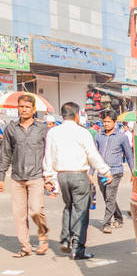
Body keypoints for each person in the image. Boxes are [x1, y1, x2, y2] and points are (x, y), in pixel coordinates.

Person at [43, 102, 112, 260]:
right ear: (76, 115)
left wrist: (49, 176)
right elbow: (92, 154)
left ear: (62, 115)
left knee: (69, 207)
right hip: (79, 175)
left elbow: (48, 155)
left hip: (62, 176)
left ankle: (65, 239)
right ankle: (77, 249)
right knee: (81, 212)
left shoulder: (53, 132)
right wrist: (105, 171)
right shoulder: (82, 132)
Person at [0, 94, 51, 256]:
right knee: (19, 215)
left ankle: (42, 238)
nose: (24, 110)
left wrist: (50, 177)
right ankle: (25, 247)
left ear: (34, 109)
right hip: (17, 178)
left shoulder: (42, 129)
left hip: (36, 176)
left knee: (36, 210)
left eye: (27, 107)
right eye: (21, 106)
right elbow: (5, 153)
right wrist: (1, 177)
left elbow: (49, 153)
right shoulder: (11, 128)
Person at [94, 109, 134, 233]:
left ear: (115, 122)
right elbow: (94, 155)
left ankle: (106, 223)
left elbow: (129, 156)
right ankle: (119, 217)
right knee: (108, 197)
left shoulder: (122, 137)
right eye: (104, 122)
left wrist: (133, 172)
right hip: (101, 173)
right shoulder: (98, 136)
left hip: (115, 171)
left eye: (109, 122)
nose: (106, 124)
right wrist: (90, 173)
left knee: (110, 197)